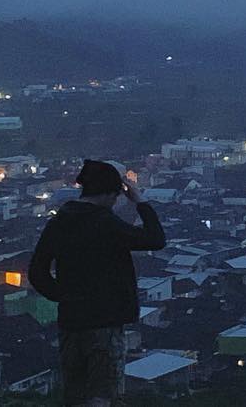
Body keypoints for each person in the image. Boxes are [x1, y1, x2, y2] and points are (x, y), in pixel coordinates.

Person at [29, 159, 166, 406]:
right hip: (105, 322)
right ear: (109, 193)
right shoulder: (105, 222)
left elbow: (37, 273)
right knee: (104, 395)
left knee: (76, 394)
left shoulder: (59, 222)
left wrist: (66, 296)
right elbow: (155, 239)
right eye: (115, 197)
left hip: (71, 322)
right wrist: (141, 202)